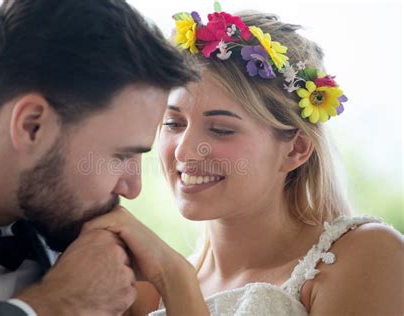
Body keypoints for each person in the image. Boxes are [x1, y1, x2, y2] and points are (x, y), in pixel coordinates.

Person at [85, 7, 404, 316]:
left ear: (296, 150)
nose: (184, 151)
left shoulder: (368, 255)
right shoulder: (142, 291)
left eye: (221, 129)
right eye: (173, 124)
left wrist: (177, 281)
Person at [0, 0, 202, 315]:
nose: (132, 188)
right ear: (32, 125)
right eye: (121, 155)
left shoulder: (86, 254)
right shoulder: (74, 286)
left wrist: (176, 276)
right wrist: (49, 306)